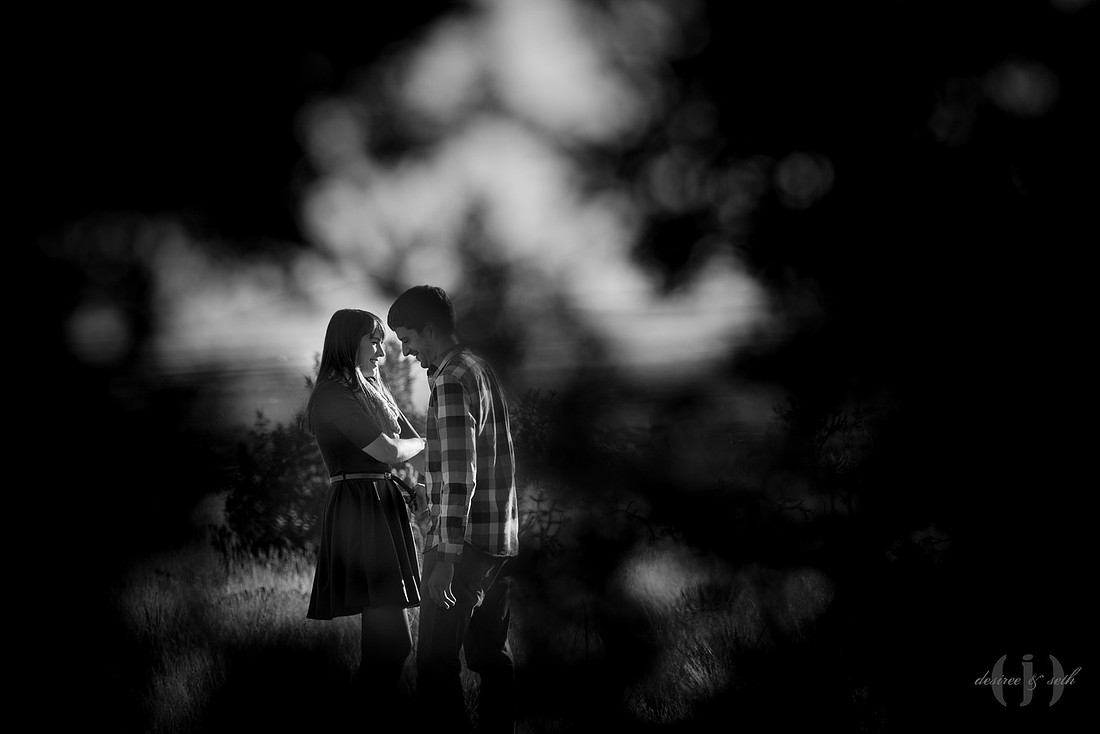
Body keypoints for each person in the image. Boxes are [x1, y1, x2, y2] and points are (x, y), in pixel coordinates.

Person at [388, 285, 520, 734]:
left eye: (408, 339)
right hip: (499, 539)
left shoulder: (448, 380)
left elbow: (461, 475)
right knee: (491, 657)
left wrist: (445, 558)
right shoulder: (479, 368)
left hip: (462, 549)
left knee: (434, 663)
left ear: (430, 330)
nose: (407, 352)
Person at [303, 308, 427, 715]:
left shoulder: (372, 388)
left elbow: (411, 451)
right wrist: (421, 444)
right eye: (373, 341)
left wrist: (423, 476)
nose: (381, 350)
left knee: (385, 647)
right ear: (347, 343)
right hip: (359, 510)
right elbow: (389, 451)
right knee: (395, 645)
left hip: (381, 504)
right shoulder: (332, 393)